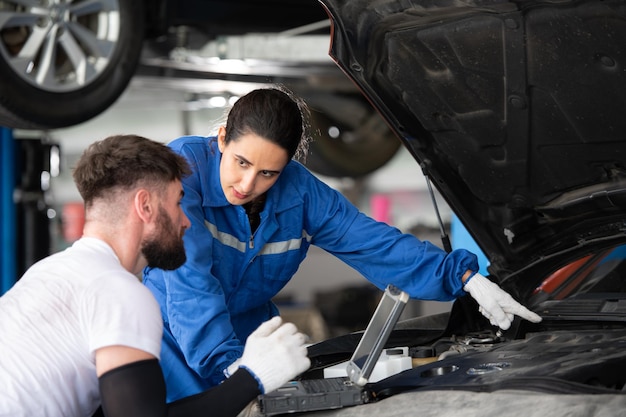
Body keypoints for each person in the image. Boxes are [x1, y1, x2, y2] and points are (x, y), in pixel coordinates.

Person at [142, 87, 542, 402]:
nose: (248, 185)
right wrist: (231, 369)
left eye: (268, 173)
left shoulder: (300, 193)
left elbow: (371, 242)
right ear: (223, 137)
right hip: (165, 346)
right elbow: (188, 278)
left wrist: (464, 276)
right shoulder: (181, 171)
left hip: (251, 347)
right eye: (241, 163)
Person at [0, 134, 310, 417]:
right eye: (177, 203)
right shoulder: (117, 291)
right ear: (145, 206)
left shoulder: (48, 274)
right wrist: (253, 377)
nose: (186, 221)